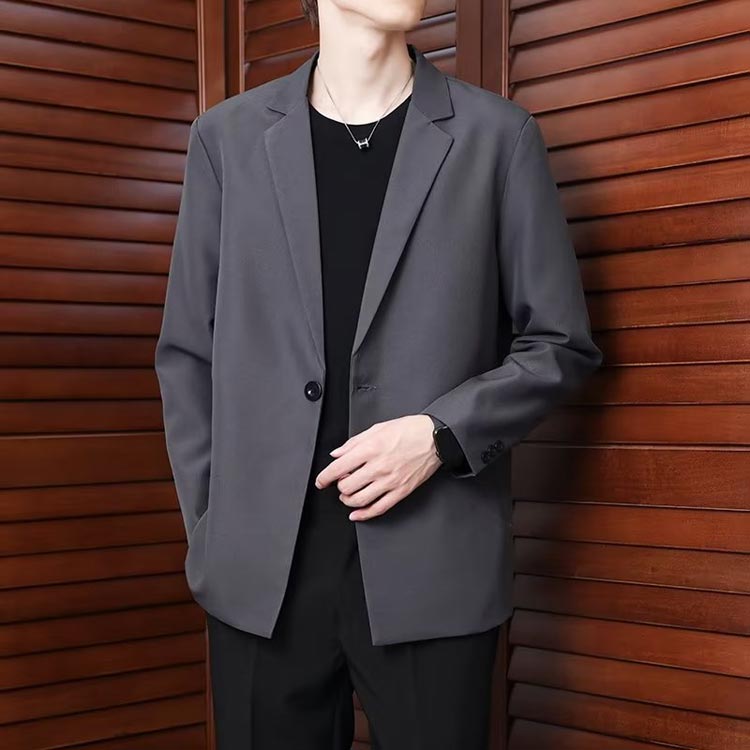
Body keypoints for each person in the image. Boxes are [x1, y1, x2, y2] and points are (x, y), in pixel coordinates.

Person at [154, 2, 603, 748]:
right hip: (260, 575)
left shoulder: (498, 138)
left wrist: (439, 435)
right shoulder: (225, 140)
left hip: (432, 564)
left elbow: (559, 343)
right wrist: (213, 527)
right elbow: (187, 353)